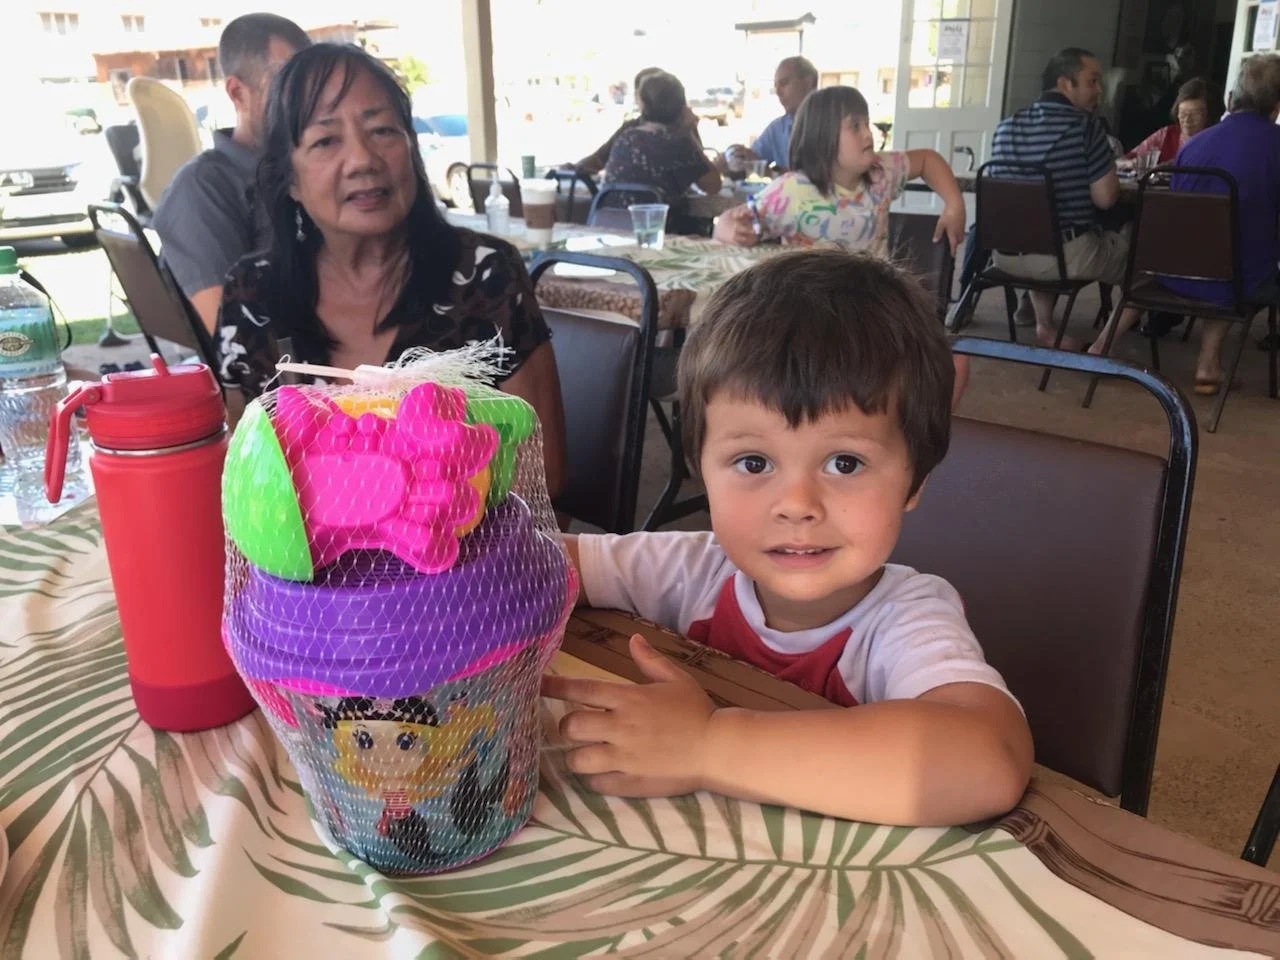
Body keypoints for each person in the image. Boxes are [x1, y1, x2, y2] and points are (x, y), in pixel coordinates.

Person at [542, 250, 1032, 826]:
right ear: (700, 468)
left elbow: (987, 759)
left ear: (915, 480)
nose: (797, 505)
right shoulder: (694, 567)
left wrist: (708, 747)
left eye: (845, 463)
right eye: (753, 462)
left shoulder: (906, 618)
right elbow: (542, 565)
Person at [216, 43, 567, 495]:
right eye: (326, 140)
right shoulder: (252, 296)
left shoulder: (485, 276)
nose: (363, 160)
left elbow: (546, 476)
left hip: (468, 540)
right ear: (290, 181)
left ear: (411, 149)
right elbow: (242, 481)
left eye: (382, 130)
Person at [1093, 54, 1280, 395]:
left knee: (1218, 255)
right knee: (1246, 260)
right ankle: (1209, 362)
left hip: (1174, 273)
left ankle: (1103, 344)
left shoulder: (1194, 146)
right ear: (1276, 107)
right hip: (1237, 280)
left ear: (1230, 101)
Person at [153, 13, 311, 335]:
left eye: (312, 85)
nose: (307, 101)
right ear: (238, 93)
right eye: (287, 85)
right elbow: (234, 336)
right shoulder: (202, 189)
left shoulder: (316, 169)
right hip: (295, 360)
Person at [988, 47, 1142, 349]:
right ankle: (1100, 347)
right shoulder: (1085, 126)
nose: (1099, 90)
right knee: (1145, 269)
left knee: (1041, 229)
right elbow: (1106, 199)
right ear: (1064, 84)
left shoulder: (1006, 126)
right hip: (1063, 256)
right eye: (1092, 81)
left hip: (1004, 255)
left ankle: (1046, 326)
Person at [712, 86, 965, 258]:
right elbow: (731, 221)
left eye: (866, 123)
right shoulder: (791, 190)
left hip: (873, 297)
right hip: (811, 303)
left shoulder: (881, 172)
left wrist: (954, 205)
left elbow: (928, 160)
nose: (868, 134)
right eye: (855, 126)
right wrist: (727, 228)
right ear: (822, 138)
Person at [601, 72, 721, 203]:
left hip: (610, 214)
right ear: (682, 107)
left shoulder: (626, 137)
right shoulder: (678, 144)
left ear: (643, 105)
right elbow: (713, 186)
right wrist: (689, 132)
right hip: (657, 216)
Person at [723, 56, 820, 173]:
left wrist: (771, 172)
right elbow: (753, 157)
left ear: (809, 83)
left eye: (784, 83)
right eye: (776, 87)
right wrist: (735, 154)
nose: (778, 92)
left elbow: (817, 178)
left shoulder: (833, 123)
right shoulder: (778, 128)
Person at [575, 67, 665, 176]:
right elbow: (599, 158)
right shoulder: (629, 128)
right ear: (637, 97)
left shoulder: (680, 130)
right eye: (648, 90)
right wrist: (576, 168)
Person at [1123, 77, 1218, 164]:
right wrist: (1134, 163)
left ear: (1209, 115)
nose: (1187, 120)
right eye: (1183, 113)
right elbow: (1122, 161)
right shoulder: (1166, 135)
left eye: (1195, 114)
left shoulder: (1217, 141)